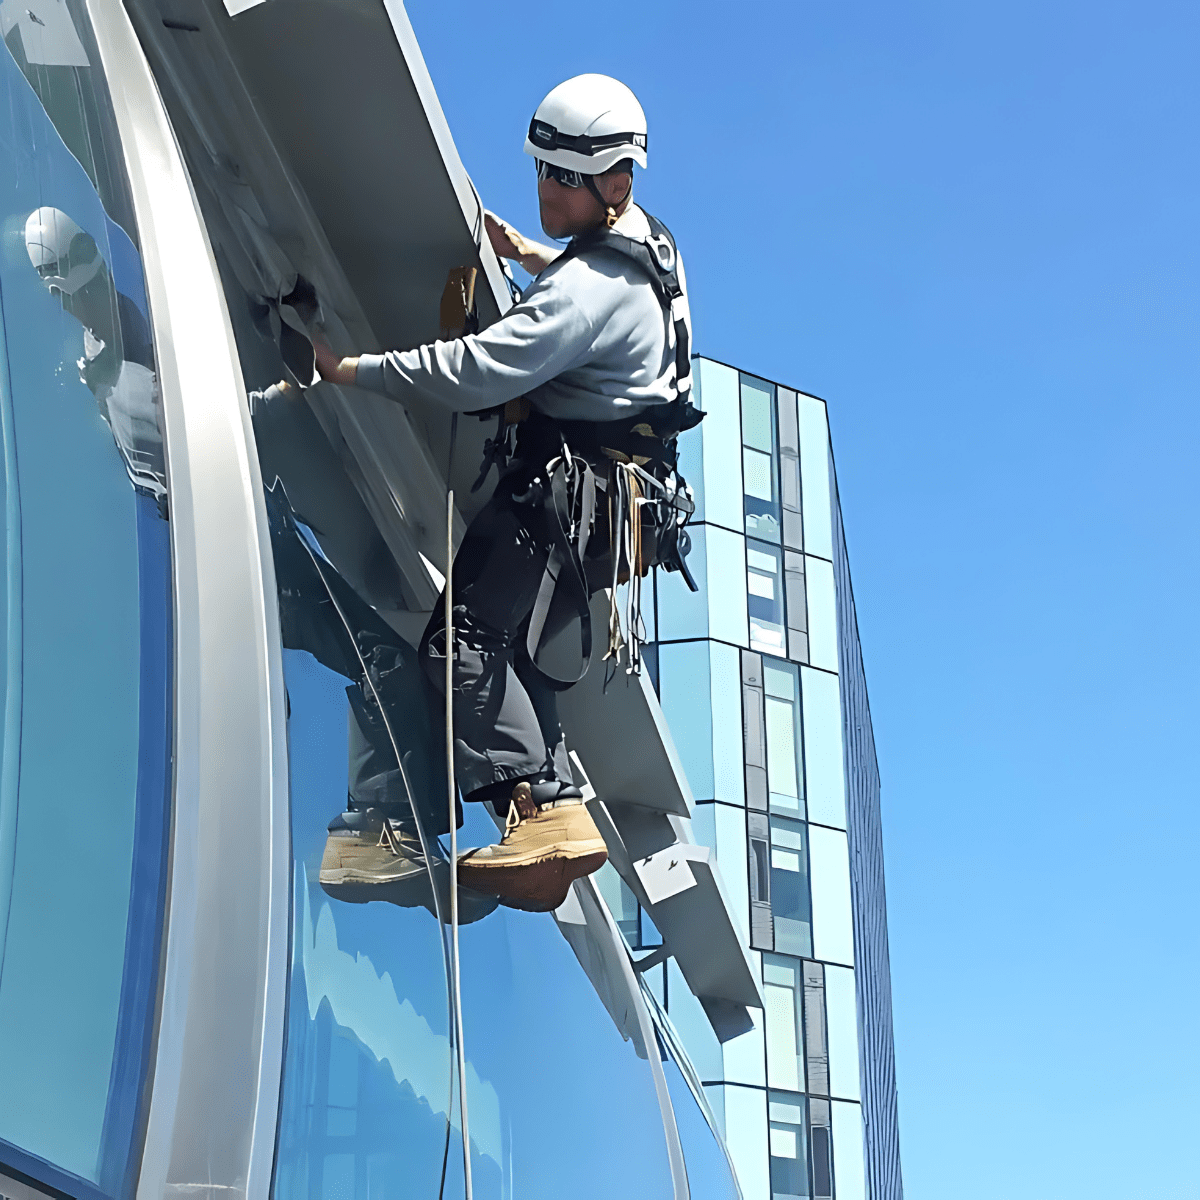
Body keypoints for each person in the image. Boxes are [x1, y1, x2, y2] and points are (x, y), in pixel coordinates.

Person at [313, 74, 699, 912]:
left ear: (615, 183)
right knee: (506, 658)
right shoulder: (645, 248)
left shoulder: (588, 291)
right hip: (612, 511)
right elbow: (590, 294)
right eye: (543, 173)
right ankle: (535, 814)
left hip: (565, 499)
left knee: (460, 645)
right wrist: (530, 251)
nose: (545, 190)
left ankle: (540, 810)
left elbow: (479, 368)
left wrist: (351, 371)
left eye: (562, 179)